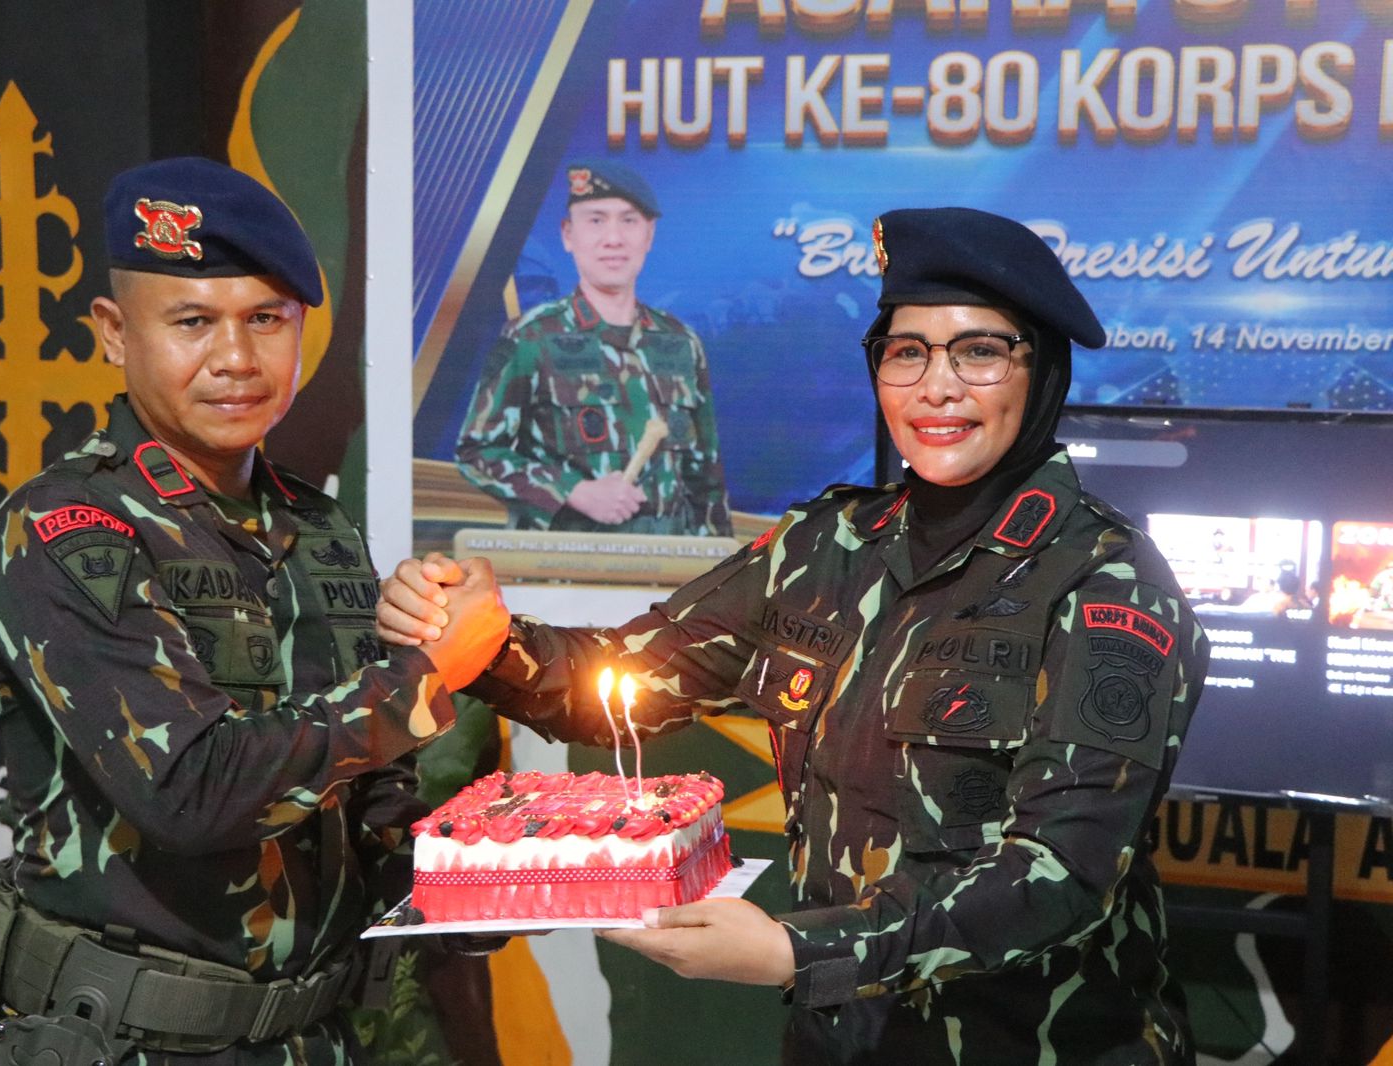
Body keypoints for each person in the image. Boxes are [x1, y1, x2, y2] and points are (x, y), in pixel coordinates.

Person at [382, 207, 1209, 1064]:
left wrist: (797, 951)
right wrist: (485, 640)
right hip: (837, 1041)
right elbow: (621, 682)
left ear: (1044, 372)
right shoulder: (821, 548)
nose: (937, 387)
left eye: (979, 351)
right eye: (907, 352)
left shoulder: (1106, 582)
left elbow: (1060, 875)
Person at [0, 157, 508, 1065]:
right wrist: (425, 675)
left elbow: (364, 803)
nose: (238, 359)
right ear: (113, 333)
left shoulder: (318, 529)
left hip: (312, 1037)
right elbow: (193, 795)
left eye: (266, 319)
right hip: (131, 1043)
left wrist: (531, 873)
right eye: (192, 322)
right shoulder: (63, 532)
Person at [454, 159, 732, 536]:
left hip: (669, 562)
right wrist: (574, 491)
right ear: (568, 234)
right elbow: (477, 452)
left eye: (629, 221)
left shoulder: (681, 343)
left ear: (649, 235)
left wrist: (720, 565)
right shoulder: (531, 338)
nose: (613, 239)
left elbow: (707, 482)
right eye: (596, 220)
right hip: (566, 563)